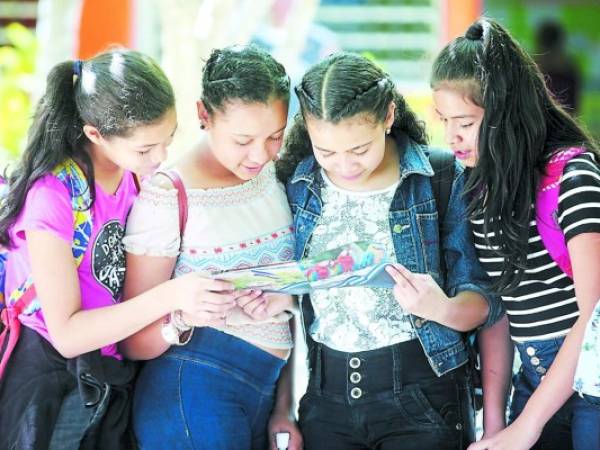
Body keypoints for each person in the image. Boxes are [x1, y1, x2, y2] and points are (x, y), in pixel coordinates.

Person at [276, 51, 502, 450]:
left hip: (423, 397)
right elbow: (286, 304)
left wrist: (442, 308)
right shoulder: (297, 185)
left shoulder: (442, 178)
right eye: (326, 152)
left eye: (359, 149)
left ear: (388, 116)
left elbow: (487, 300)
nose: (344, 165)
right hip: (325, 399)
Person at [0, 48, 218, 450]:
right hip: (53, 385)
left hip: (110, 377)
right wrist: (171, 296)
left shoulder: (135, 180)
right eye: (144, 148)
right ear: (95, 134)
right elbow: (66, 333)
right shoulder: (53, 197)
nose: (160, 158)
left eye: (168, 140)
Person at [121, 45, 302, 450]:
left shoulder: (275, 175)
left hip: (267, 390)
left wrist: (284, 409)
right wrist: (182, 315)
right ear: (204, 115)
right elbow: (132, 341)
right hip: (191, 390)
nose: (260, 153)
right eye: (243, 140)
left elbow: (287, 309)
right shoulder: (168, 196)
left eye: (275, 135)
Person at [431, 17, 600, 450]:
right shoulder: (478, 189)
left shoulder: (572, 176)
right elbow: (500, 313)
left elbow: (594, 315)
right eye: (444, 119)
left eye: (465, 122)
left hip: (592, 385)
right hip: (533, 381)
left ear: (505, 112)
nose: (452, 136)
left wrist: (527, 427)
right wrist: (496, 425)